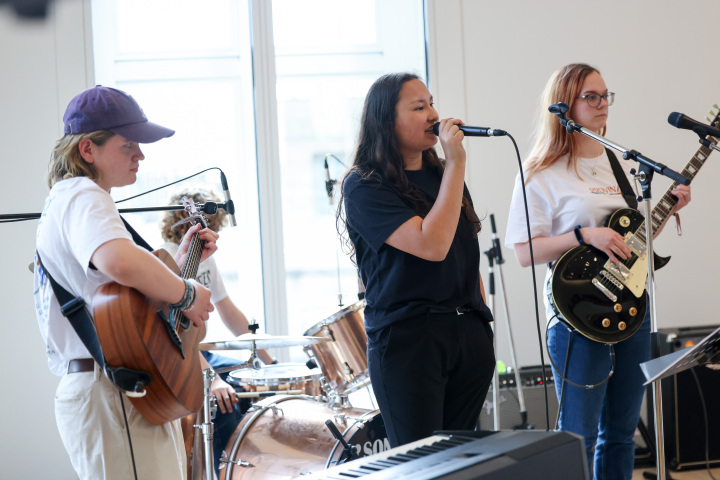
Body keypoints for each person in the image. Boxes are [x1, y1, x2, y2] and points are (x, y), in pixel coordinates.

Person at [504, 63, 691, 479]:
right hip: (576, 317)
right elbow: (523, 251)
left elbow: (630, 240)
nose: (602, 104)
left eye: (606, 96)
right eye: (591, 97)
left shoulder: (618, 163)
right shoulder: (539, 172)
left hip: (630, 309)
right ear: (564, 106)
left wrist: (667, 209)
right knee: (579, 435)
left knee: (621, 433)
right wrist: (584, 236)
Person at [33, 85, 219, 480]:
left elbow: (121, 294)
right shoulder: (83, 194)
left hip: (120, 387)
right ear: (88, 150)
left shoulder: (75, 198)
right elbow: (117, 261)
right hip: (113, 391)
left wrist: (180, 262)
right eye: (128, 145)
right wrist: (186, 292)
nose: (141, 154)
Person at [338, 72, 496, 448]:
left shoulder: (441, 173)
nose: (433, 115)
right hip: (410, 341)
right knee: (421, 462)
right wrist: (456, 164)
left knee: (462, 463)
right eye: (419, 107)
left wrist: (480, 324)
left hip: (467, 334)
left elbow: (463, 250)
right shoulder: (364, 184)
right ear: (385, 120)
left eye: (432, 103)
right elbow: (432, 245)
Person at [160, 189, 274, 474]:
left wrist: (269, 362)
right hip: (179, 356)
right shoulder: (164, 257)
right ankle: (228, 470)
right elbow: (177, 332)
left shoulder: (205, 257)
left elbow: (229, 313)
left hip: (199, 354)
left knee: (250, 377)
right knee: (224, 401)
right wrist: (211, 380)